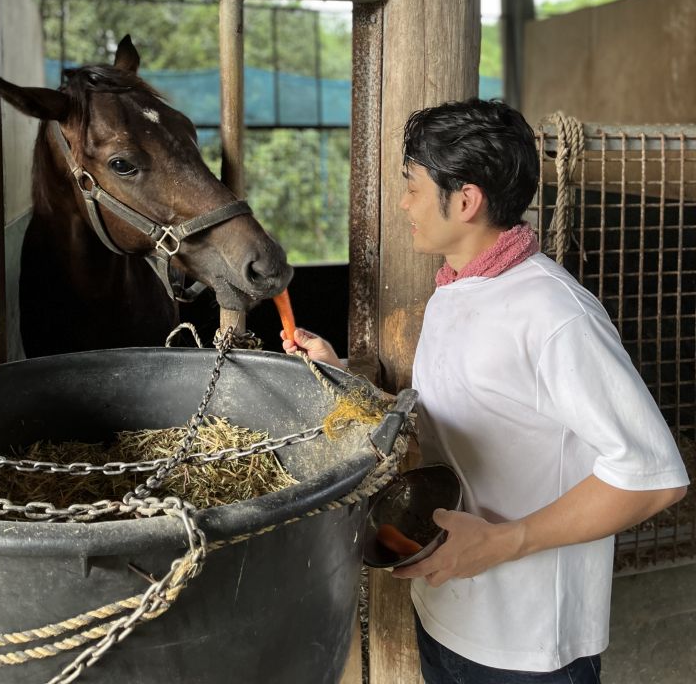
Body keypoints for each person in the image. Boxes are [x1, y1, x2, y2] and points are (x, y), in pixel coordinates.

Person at [282, 98, 689, 684]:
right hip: (448, 605)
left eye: (413, 186)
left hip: (527, 642)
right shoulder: (456, 287)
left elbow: (655, 476)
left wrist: (506, 541)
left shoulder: (554, 315)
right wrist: (336, 370)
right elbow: (454, 404)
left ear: (466, 200)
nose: (404, 203)